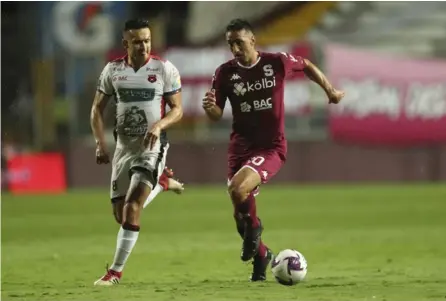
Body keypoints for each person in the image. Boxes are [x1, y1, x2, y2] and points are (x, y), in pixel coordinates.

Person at [202, 19, 345, 281]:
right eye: (230, 44)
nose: (235, 48)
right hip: (239, 149)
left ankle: (255, 231)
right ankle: (262, 255)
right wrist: (209, 107)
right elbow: (215, 113)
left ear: (253, 40)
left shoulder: (275, 62)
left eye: (239, 42)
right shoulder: (224, 73)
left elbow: (307, 66)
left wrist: (331, 90)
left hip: (271, 147)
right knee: (239, 217)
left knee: (237, 189)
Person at [90, 18, 183, 286]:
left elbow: (177, 109)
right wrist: (100, 142)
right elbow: (97, 108)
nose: (143, 46)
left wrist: (159, 125)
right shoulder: (113, 70)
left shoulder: (164, 69)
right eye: (137, 41)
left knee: (132, 208)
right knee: (121, 216)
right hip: (123, 148)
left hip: (152, 147)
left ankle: (114, 273)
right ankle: (162, 183)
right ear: (125, 44)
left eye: (146, 40)